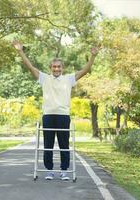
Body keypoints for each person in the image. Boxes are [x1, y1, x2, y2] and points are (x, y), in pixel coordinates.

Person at [13, 41, 98, 180]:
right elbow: (30, 67)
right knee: (48, 145)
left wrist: (93, 56)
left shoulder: (69, 79)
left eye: (59, 67)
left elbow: (85, 70)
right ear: (50, 68)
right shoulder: (44, 78)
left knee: (64, 145)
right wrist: (20, 51)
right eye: (54, 67)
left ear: (62, 68)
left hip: (63, 116)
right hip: (48, 116)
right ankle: (50, 171)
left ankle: (64, 171)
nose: (56, 69)